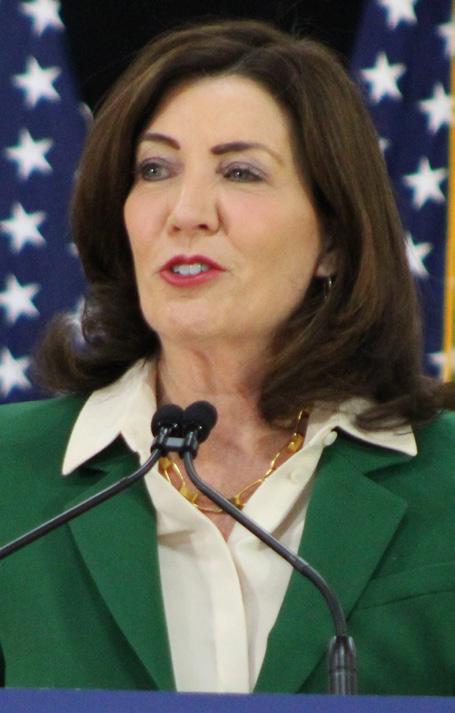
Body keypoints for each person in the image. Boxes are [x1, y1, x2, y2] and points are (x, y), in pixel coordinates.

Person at [0, 18, 454, 696]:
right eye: (154, 169)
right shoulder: (10, 477)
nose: (186, 212)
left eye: (240, 172)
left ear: (332, 238)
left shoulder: (443, 478)